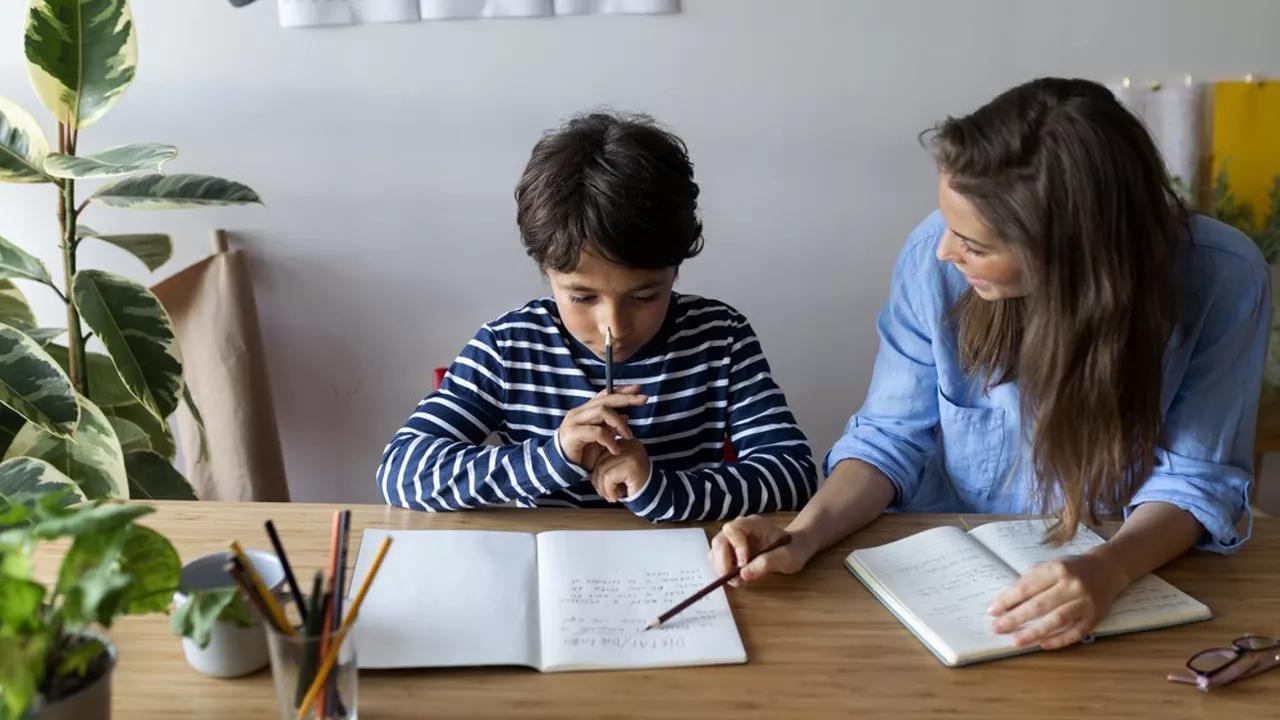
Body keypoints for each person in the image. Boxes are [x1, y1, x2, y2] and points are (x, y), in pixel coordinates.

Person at [711, 77, 1269, 650]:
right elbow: (889, 439)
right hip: (949, 583)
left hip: (1132, 577)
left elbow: (1195, 480)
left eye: (974, 246)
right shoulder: (934, 259)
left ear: (1071, 254)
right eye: (949, 226)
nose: (944, 251)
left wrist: (1110, 568)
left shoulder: (1223, 278)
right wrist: (801, 536)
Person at [377, 111, 817, 520]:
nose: (614, 328)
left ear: (676, 267)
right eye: (582, 297)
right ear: (545, 270)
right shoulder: (509, 346)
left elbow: (795, 475)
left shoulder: (721, 339)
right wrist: (555, 456)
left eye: (645, 296)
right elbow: (401, 472)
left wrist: (662, 488)